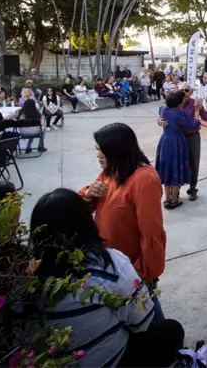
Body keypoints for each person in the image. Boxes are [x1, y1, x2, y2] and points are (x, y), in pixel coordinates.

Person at [28, 189, 184, 368]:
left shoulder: (25, 278)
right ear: (85, 222)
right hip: (110, 360)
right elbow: (141, 323)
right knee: (171, 330)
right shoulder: (108, 265)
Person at [79, 123, 166, 320]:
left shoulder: (144, 180)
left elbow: (151, 231)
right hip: (111, 263)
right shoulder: (111, 170)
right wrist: (87, 194)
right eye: (97, 150)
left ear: (118, 150)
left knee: (148, 315)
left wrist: (141, 273)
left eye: (103, 151)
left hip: (133, 269)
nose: (98, 156)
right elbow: (88, 206)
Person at [156, 90, 202, 209]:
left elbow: (160, 110)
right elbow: (194, 125)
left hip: (165, 141)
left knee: (167, 168)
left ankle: (167, 199)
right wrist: (197, 111)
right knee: (177, 168)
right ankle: (174, 200)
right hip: (177, 143)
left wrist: (159, 120)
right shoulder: (181, 114)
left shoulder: (163, 110)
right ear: (179, 103)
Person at [179, 84, 207, 201]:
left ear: (191, 92)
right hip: (178, 136)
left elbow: (206, 118)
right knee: (179, 163)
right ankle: (176, 189)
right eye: (181, 90)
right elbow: (164, 114)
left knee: (194, 162)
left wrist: (200, 108)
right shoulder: (176, 103)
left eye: (186, 90)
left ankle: (192, 189)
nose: (184, 93)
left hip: (192, 136)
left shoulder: (195, 103)